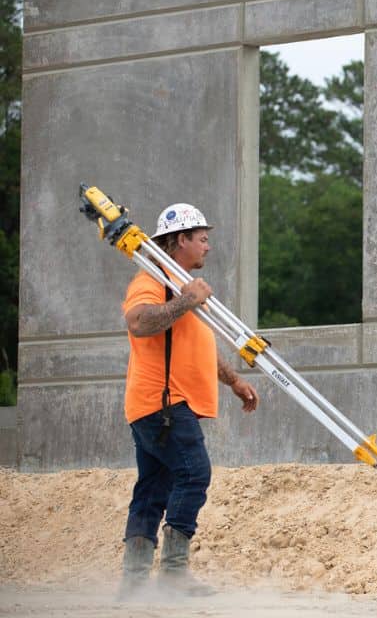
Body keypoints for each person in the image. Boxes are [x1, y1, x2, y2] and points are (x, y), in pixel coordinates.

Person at [118, 203, 259, 599]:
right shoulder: (153, 279)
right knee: (195, 473)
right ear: (180, 240)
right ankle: (174, 574)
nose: (208, 247)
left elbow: (195, 343)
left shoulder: (179, 283)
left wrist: (232, 380)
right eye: (202, 239)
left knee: (152, 488)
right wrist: (186, 300)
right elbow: (140, 323)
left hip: (157, 405)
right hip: (162, 403)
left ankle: (133, 584)